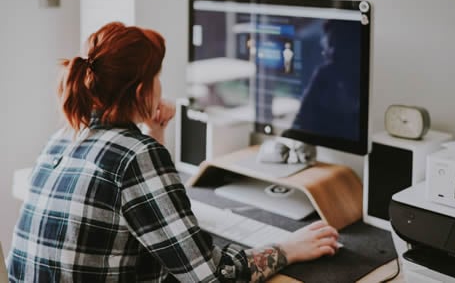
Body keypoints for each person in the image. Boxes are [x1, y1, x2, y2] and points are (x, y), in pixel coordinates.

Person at [7, 22, 340, 282]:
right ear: (142, 90)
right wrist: (289, 249)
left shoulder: (65, 136)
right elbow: (209, 275)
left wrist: (155, 133)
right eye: (158, 78)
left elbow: (144, 208)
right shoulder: (136, 155)